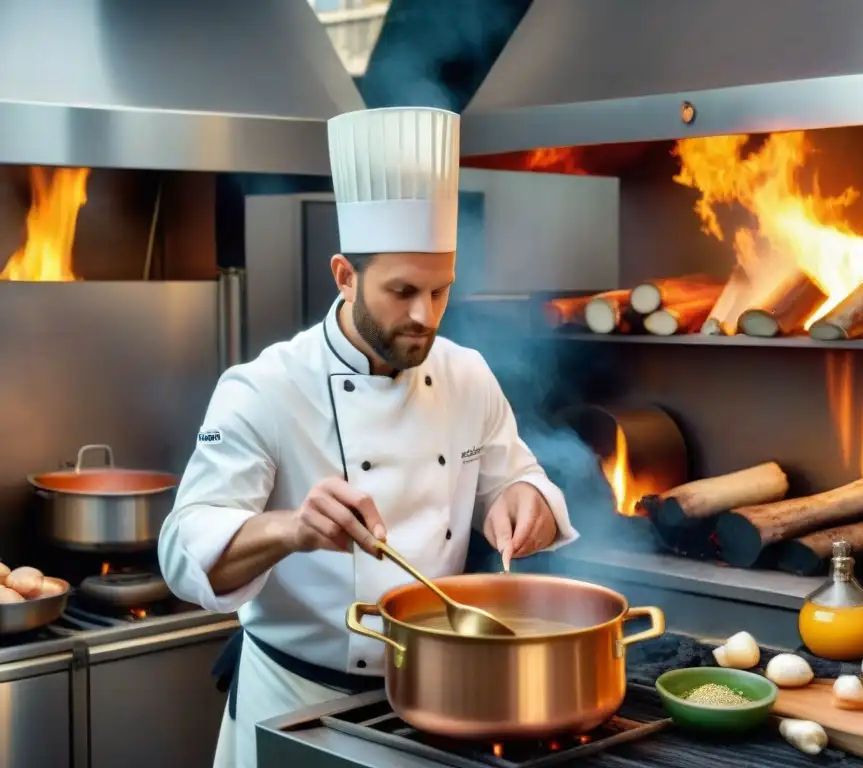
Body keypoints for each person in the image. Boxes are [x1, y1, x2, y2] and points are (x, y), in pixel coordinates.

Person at [157, 106, 578, 768]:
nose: (425, 316)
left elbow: (521, 482)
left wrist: (526, 507)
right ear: (344, 276)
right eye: (403, 290)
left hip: (434, 709)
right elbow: (183, 554)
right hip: (294, 710)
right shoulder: (265, 387)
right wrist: (293, 529)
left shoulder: (467, 375)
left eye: (441, 292)